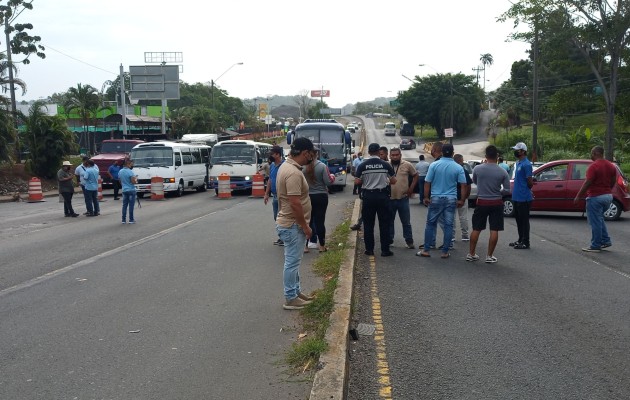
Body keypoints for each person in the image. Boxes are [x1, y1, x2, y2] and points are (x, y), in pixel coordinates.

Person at [276, 137, 316, 310]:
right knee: (292, 262)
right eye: (311, 153)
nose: (312, 157)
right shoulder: (293, 172)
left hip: (290, 223)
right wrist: (305, 226)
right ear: (305, 152)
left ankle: (296, 292)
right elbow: (295, 203)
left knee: (294, 261)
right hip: (293, 224)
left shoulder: (288, 167)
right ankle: (290, 298)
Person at [417, 143, 466, 259]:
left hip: (436, 198)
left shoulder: (434, 165)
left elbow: (427, 182)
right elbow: (463, 185)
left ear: (442, 152)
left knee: (430, 224)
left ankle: (426, 250)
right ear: (453, 153)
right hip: (451, 199)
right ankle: (445, 252)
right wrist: (462, 200)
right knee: (449, 225)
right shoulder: (458, 167)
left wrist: (425, 197)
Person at [466, 145, 511, 263]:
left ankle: (471, 254)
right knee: (494, 229)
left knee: (476, 228)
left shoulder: (477, 169)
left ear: (485, 156)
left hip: (481, 201)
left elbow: (475, 181)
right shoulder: (503, 171)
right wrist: (498, 192)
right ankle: (489, 256)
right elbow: (507, 189)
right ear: (497, 156)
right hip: (496, 202)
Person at [354, 143, 396, 257]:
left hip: (368, 196)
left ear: (369, 152)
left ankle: (369, 250)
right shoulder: (385, 164)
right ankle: (385, 250)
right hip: (382, 196)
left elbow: (357, 181)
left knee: (368, 224)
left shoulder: (363, 165)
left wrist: (366, 181)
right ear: (378, 152)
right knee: (384, 224)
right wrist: (384, 181)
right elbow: (394, 181)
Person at [574, 146, 617, 252]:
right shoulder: (611, 166)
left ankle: (595, 245)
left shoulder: (594, 166)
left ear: (595, 153)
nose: (591, 155)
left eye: (591, 153)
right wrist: (607, 190)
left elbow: (587, 182)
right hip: (608, 196)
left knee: (595, 222)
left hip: (595, 197)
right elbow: (613, 181)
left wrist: (578, 196)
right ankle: (605, 240)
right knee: (599, 219)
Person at [303, 148, 333, 253]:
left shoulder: (303, 167)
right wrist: (332, 177)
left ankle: (305, 246)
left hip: (307, 197)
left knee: (307, 222)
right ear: (317, 154)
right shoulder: (322, 166)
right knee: (320, 222)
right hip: (321, 197)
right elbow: (328, 182)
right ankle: (322, 246)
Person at [388, 147, 418, 249]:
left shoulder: (407, 164)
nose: (395, 157)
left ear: (400, 155)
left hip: (403, 198)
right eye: (393, 155)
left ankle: (409, 241)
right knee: (389, 221)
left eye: (397, 155)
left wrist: (411, 188)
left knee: (406, 222)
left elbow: (415, 175)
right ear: (389, 155)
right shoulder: (386, 165)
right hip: (389, 199)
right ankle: (389, 240)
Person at [510, 142, 534, 249]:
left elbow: (530, 182)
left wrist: (526, 190)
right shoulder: (518, 163)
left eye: (517, 150)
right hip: (516, 196)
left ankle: (526, 241)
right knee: (518, 220)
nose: (516, 152)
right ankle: (520, 239)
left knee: (524, 220)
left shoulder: (526, 164)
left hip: (523, 197)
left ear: (523, 151)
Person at [264, 146, 285, 246]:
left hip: (282, 196)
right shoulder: (272, 165)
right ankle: (281, 237)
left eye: (272, 154)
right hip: (275, 195)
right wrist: (266, 193)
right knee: (276, 217)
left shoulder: (284, 166)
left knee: (282, 217)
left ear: (277, 154)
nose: (270, 156)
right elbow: (270, 180)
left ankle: (284, 238)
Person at [453, 154, 472, 241]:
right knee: (463, 217)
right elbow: (468, 185)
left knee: (451, 217)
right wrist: (465, 197)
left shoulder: (451, 170)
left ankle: (451, 236)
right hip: (462, 197)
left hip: (451, 197)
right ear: (460, 161)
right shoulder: (464, 171)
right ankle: (465, 235)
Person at [119, 158, 138, 224]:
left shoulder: (120, 171)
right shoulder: (130, 171)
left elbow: (120, 180)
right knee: (131, 205)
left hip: (124, 189)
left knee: (124, 205)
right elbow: (133, 181)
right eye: (131, 164)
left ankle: (123, 220)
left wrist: (124, 185)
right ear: (128, 164)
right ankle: (131, 219)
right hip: (131, 189)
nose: (131, 166)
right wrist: (136, 180)